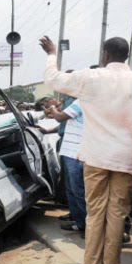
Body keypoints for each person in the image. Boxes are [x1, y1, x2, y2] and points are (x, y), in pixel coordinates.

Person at [40, 36, 132, 264]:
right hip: (128, 160)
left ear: (104, 55)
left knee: (94, 216)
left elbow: (53, 79)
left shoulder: (90, 78)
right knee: (116, 216)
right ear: (126, 55)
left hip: (95, 158)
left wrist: (51, 53)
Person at [47, 100, 86, 233]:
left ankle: (86, 226)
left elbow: (59, 117)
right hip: (70, 151)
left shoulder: (82, 101)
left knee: (78, 190)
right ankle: (79, 222)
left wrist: (52, 107)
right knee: (71, 189)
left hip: (76, 152)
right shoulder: (79, 101)